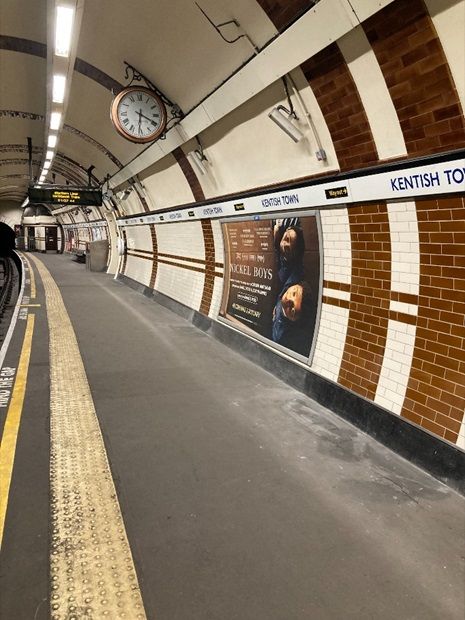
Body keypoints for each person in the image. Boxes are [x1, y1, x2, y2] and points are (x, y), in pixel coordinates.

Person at [272, 281, 313, 356]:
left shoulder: (280, 336)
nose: (289, 300)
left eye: (293, 310)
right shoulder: (288, 286)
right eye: (293, 293)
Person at [273, 219, 305, 291]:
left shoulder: (293, 274)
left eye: (288, 249)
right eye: (287, 239)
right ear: (287, 229)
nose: (284, 245)